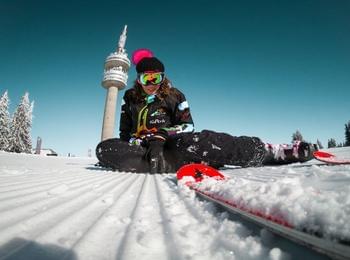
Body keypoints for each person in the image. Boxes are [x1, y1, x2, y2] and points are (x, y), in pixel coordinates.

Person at [96, 49, 316, 173]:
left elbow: (188, 125)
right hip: (143, 149)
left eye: (157, 77)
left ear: (163, 78)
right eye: (147, 78)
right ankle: (173, 162)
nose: (152, 83)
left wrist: (163, 134)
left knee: (202, 140)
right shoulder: (131, 98)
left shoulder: (175, 95)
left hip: (171, 144)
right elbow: (125, 131)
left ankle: (267, 151)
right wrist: (131, 143)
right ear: (139, 79)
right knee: (105, 149)